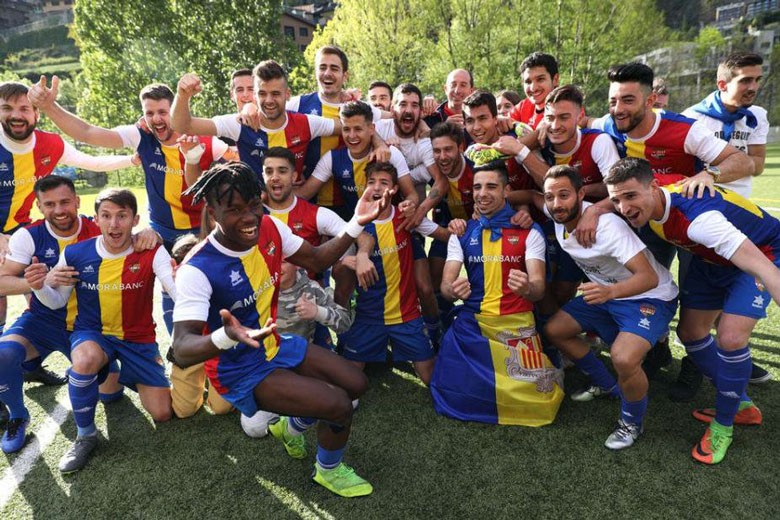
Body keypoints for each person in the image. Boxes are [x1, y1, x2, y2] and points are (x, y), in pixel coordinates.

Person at [172, 161, 392, 497]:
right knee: (338, 406)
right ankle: (328, 471)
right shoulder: (197, 269)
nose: (249, 218)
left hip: (275, 343)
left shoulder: (271, 228)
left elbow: (317, 260)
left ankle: (291, 429)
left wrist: (356, 223)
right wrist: (226, 335)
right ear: (213, 212)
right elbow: (183, 348)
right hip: (239, 370)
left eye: (253, 206)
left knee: (356, 384)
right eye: (234, 210)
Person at [606, 157, 780, 464]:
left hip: (761, 252)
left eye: (631, 196)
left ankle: (724, 425)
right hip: (710, 259)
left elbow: (762, 267)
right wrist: (598, 208)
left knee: (730, 338)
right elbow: (626, 195)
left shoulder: (701, 222)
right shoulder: (658, 194)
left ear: (654, 188)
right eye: (616, 200)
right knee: (690, 332)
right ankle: (740, 405)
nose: (623, 207)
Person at [26, 79, 228, 336]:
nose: (155, 119)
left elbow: (233, 176)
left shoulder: (209, 142)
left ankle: (221, 348)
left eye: (163, 112)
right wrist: (50, 106)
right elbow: (88, 133)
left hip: (200, 232)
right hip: (161, 232)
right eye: (149, 113)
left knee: (209, 287)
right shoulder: (141, 135)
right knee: (170, 288)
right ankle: (181, 349)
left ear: (176, 111)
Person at [0, 176, 159, 453]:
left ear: (77, 201)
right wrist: (38, 282)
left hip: (91, 326)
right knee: (3, 355)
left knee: (110, 396)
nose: (59, 210)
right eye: (49, 204)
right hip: (44, 321)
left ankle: (44, 367)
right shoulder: (29, 235)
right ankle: (17, 415)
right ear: (39, 206)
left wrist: (152, 234)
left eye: (64, 202)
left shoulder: (98, 227)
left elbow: (132, 235)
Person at [31, 188, 175, 473]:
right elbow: (57, 300)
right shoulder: (74, 253)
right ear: (95, 219)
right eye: (106, 216)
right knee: (83, 361)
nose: (114, 224)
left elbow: (175, 290)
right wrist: (40, 286)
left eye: (122, 216)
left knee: (162, 413)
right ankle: (85, 435)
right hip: (93, 334)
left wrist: (179, 277)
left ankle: (112, 375)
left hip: (137, 339)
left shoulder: (151, 250)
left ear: (135, 220)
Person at [541, 166, 678, 449]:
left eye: (564, 195)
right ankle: (606, 384)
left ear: (580, 194)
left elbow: (648, 277)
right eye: (549, 196)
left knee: (625, 359)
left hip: (650, 296)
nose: (556, 203)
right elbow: (532, 196)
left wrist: (609, 291)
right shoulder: (557, 214)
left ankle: (631, 423)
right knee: (554, 329)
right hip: (607, 293)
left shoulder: (607, 227)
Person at [0, 80, 136, 344]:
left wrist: (131, 160)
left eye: (24, 108)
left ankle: (31, 359)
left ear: (36, 113)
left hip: (20, 226)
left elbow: (92, 162)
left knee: (39, 283)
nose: (16, 115)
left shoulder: (49, 144)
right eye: (7, 108)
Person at [431, 162, 562, 426]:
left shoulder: (528, 231)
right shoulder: (462, 232)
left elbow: (538, 289)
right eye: (477, 187)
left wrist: (527, 288)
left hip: (515, 323)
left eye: (491, 186)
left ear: (506, 191)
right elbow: (445, 286)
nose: (483, 193)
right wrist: (452, 290)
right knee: (448, 394)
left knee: (542, 405)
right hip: (473, 323)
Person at [672, 52, 773, 396]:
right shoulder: (692, 118)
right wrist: (733, 163)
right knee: (695, 294)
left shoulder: (755, 116)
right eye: (745, 80)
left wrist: (717, 168)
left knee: (737, 290)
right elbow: (687, 173)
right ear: (722, 83)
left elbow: (756, 165)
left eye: (757, 79)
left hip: (744, 215)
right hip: (702, 218)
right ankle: (693, 365)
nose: (753, 87)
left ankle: (733, 354)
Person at [339, 162, 450, 384]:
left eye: (384, 183)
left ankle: (433, 331)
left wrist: (459, 228)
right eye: (372, 182)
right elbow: (342, 257)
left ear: (395, 189)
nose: (377, 188)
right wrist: (350, 260)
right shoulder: (357, 222)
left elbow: (443, 235)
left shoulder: (405, 217)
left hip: (406, 316)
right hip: (369, 317)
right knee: (350, 383)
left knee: (432, 379)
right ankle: (343, 334)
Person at [508, 53, 560, 129]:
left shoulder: (569, 105)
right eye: (528, 82)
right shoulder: (521, 108)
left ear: (555, 79)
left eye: (540, 79)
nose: (533, 88)